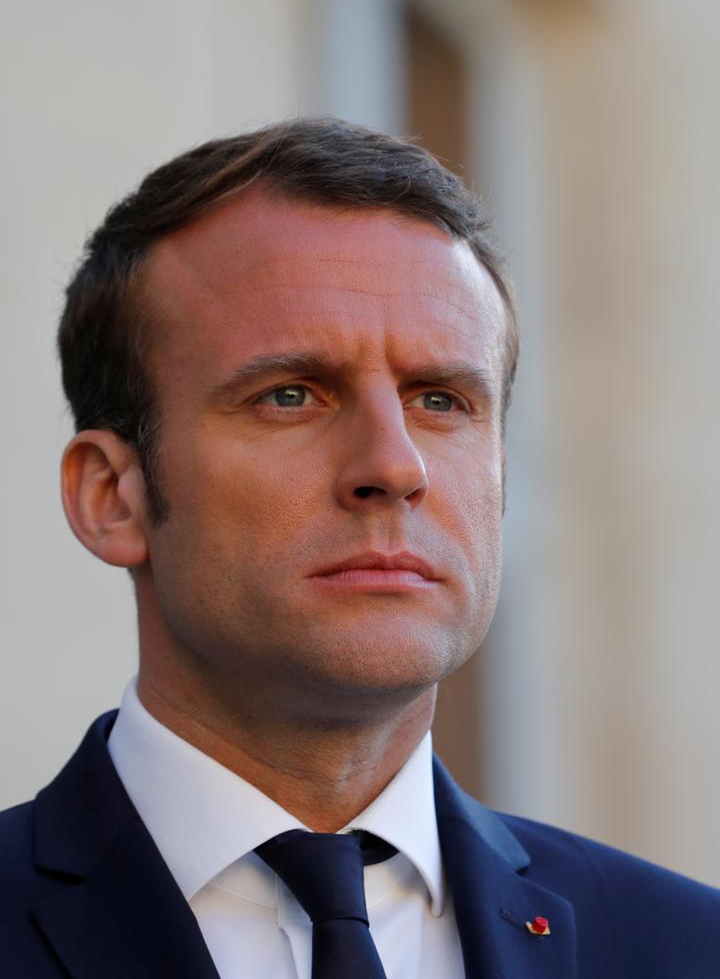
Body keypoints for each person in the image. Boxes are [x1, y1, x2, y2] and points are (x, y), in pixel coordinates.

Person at [1, 118, 718, 979]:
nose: (394, 464)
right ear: (112, 496)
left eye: (442, 401)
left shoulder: (687, 948)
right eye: (291, 395)